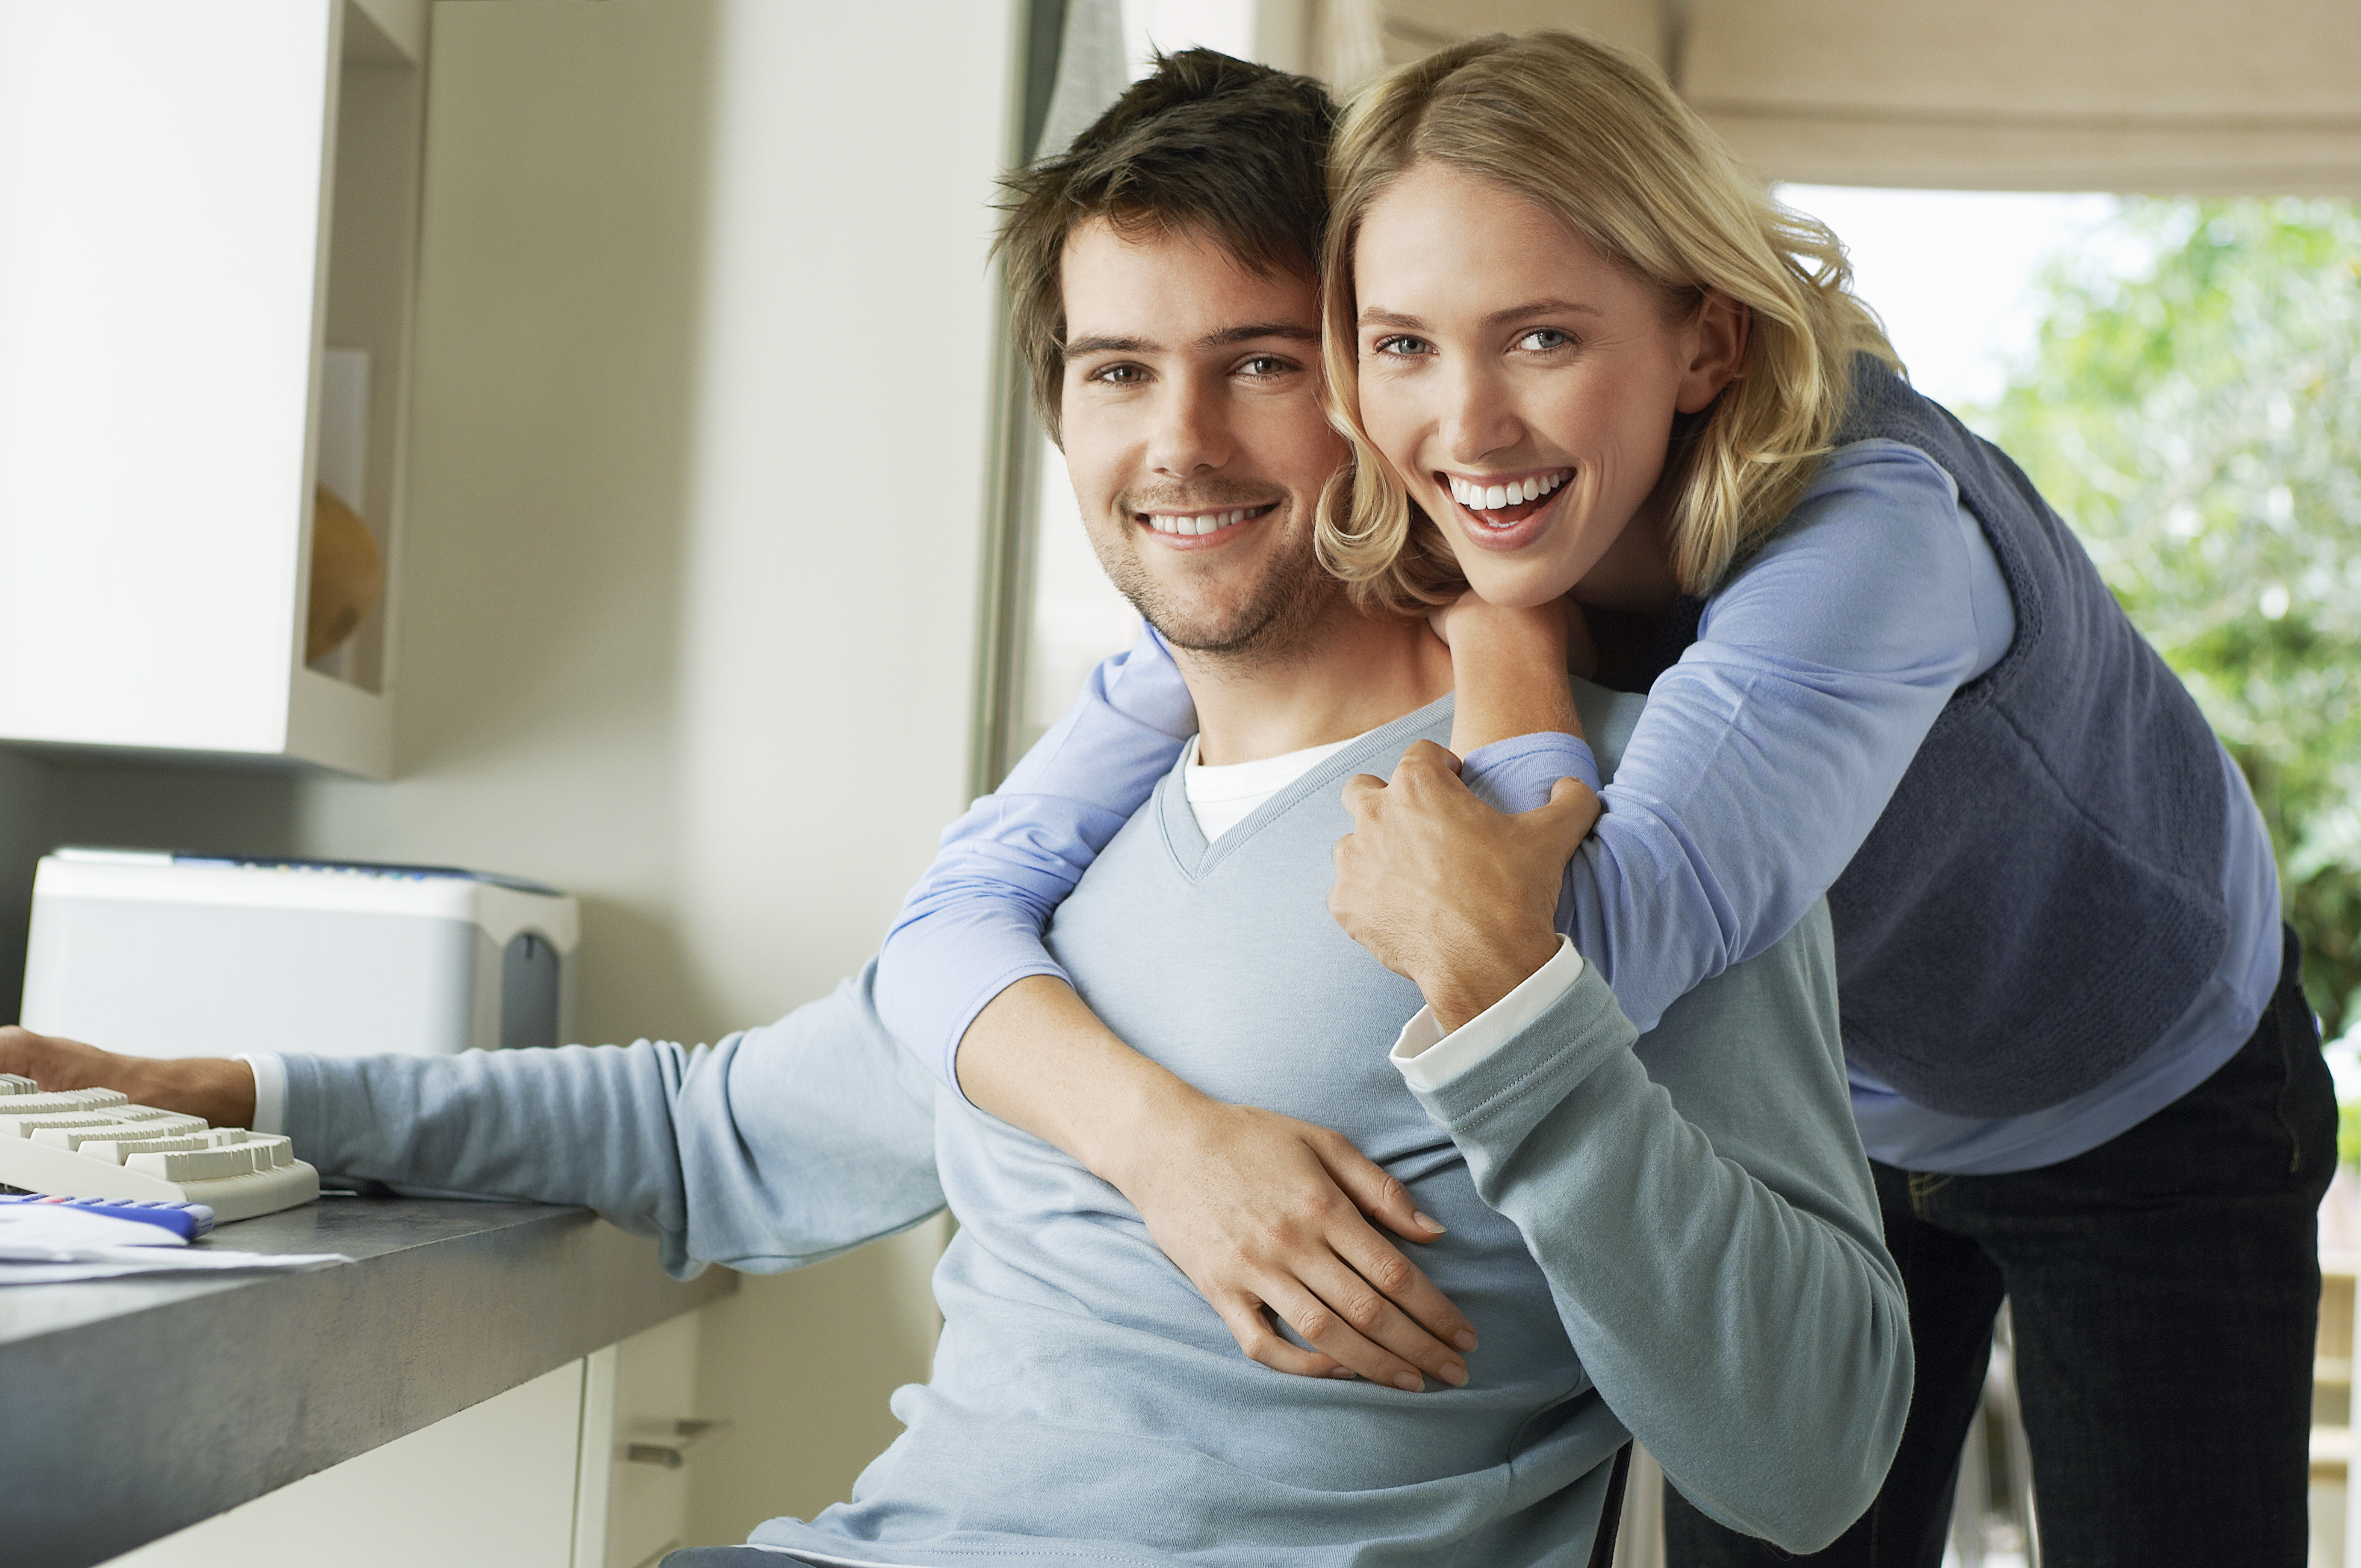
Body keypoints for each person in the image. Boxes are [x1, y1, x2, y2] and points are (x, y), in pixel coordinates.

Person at [0, 52, 1911, 1566]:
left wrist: (1520, 1025)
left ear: (1368, 375)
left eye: (1258, 365)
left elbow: (1814, 1456)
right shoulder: (1091, 823)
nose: (1176, 449)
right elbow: (713, 1130)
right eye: (1112, 375)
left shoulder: (1627, 828)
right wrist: (240, 1095)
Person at [874, 29, 2334, 1568]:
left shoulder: (1875, 536)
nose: (1467, 427)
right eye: (1401, 345)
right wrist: (1157, 1142)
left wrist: (1499, 626)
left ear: (1699, 345)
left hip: (2133, 1081)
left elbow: (1571, 965)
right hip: (1825, 1102)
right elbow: (959, 908)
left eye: (1543, 340)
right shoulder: (1385, 540)